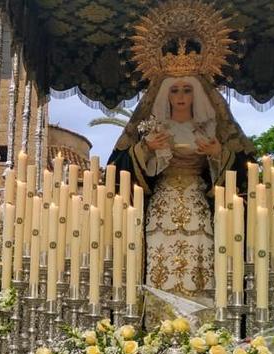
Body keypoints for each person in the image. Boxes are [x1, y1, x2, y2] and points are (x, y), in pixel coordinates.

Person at [109, 75, 254, 297]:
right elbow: (121, 169)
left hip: (196, 204)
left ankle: (202, 325)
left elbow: (242, 171)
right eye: (175, 91)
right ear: (166, 95)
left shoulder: (209, 130)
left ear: (196, 95)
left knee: (199, 253)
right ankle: (160, 323)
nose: (181, 96)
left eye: (187, 90)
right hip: (162, 208)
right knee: (160, 254)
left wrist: (218, 154)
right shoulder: (154, 130)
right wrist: (146, 147)